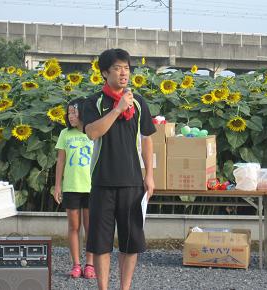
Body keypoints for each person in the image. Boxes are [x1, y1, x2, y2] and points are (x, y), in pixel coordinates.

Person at [83, 48, 156, 290]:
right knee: (101, 243)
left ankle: (125, 288)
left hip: (133, 181)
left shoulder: (138, 102)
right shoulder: (94, 102)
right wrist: (117, 109)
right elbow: (92, 132)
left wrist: (150, 176)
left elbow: (147, 138)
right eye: (117, 68)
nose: (123, 73)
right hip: (102, 182)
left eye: (126, 67)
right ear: (105, 72)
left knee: (130, 242)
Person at [54, 97, 97, 279]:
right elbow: (61, 161)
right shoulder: (65, 134)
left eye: (74, 112)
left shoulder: (93, 132)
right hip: (71, 187)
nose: (71, 116)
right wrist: (58, 186)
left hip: (92, 187)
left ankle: (90, 265)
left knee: (90, 227)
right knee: (73, 227)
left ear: (83, 113)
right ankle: (76, 264)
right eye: (69, 112)